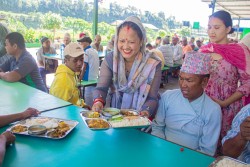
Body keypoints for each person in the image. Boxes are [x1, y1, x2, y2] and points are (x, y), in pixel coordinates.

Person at [151, 52, 222, 156]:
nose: (183, 85)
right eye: (181, 78)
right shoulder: (168, 97)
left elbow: (207, 149)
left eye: (189, 80)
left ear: (204, 82)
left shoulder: (213, 110)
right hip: (163, 150)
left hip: (192, 158)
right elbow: (157, 127)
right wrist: (162, 148)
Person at [199, 10, 250, 154]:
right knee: (204, 142)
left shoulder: (239, 50)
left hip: (228, 107)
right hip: (204, 104)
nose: (211, 31)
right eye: (209, 27)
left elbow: (248, 82)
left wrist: (225, 103)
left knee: (223, 146)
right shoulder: (204, 50)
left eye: (216, 27)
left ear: (228, 29)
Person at [92, 16, 162, 118]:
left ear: (141, 41)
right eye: (122, 41)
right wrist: (98, 102)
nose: (126, 46)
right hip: (115, 116)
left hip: (140, 119)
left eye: (131, 42)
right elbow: (101, 88)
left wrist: (145, 112)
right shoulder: (111, 59)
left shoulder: (152, 63)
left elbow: (152, 98)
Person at [49, 43, 88, 108]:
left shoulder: (71, 72)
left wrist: (84, 105)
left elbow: (75, 99)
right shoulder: (63, 81)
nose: (79, 63)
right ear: (66, 60)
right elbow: (60, 109)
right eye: (75, 60)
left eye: (81, 59)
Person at [77, 36, 99, 106]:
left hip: (88, 78)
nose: (80, 44)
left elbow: (84, 66)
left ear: (86, 43)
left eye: (81, 43)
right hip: (95, 77)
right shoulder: (95, 51)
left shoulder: (86, 52)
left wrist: (80, 78)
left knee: (87, 97)